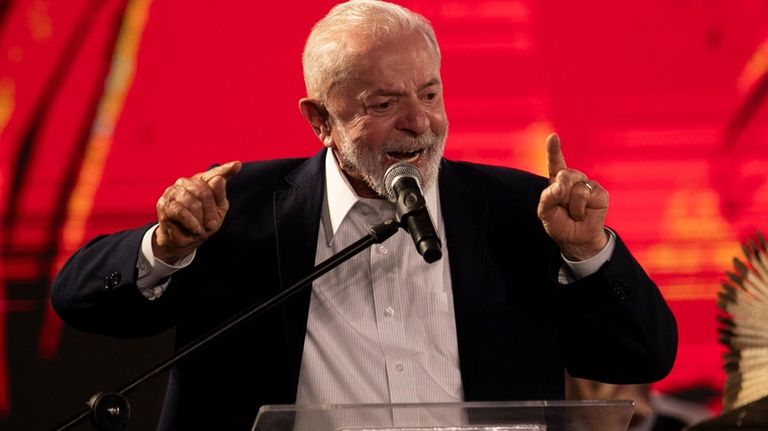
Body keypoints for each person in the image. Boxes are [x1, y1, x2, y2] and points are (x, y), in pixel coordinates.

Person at [51, 1, 678, 429]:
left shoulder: (520, 212)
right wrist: (168, 245)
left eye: (430, 93)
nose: (420, 121)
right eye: (385, 102)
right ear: (320, 120)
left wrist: (588, 252)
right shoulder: (236, 211)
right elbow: (77, 297)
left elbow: (644, 357)